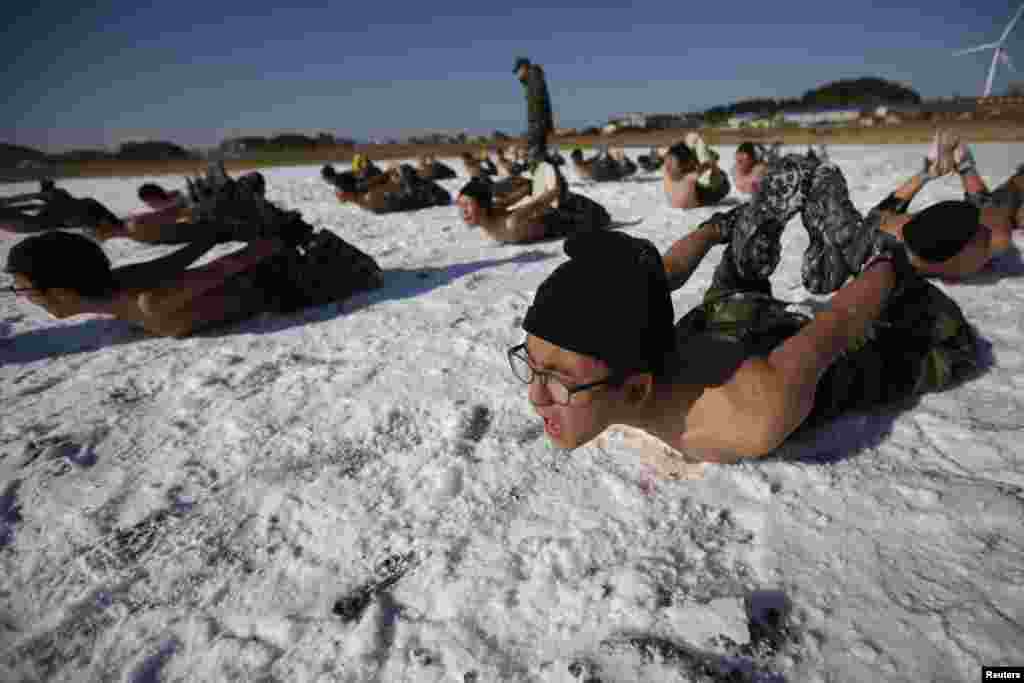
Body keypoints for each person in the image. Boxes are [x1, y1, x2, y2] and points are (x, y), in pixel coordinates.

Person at [507, 229, 978, 464]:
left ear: (635, 390)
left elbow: (835, 325)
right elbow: (649, 275)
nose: (534, 395)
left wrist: (883, 262)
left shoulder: (743, 415)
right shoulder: (628, 355)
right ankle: (745, 233)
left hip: (853, 353)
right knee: (731, 291)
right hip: (727, 330)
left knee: (945, 345)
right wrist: (715, 230)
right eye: (531, 366)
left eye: (557, 379)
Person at [4, 220, 383, 338]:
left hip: (316, 277)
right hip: (277, 275)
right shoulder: (114, 286)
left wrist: (275, 240)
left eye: (25, 289)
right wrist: (207, 238)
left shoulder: (147, 303)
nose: (23, 295)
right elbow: (172, 264)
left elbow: (221, 269)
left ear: (60, 290)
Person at [870, 131, 1023, 280]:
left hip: (905, 244)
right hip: (935, 245)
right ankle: (960, 166)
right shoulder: (994, 235)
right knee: (994, 225)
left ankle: (957, 166)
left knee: (992, 221)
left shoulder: (885, 240)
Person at [456, 167, 611, 244]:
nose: (463, 212)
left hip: (581, 219)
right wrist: (529, 187)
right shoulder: (492, 212)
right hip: (555, 215)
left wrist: (553, 186)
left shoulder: (511, 223)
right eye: (460, 206)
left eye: (467, 205)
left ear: (483, 208)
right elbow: (511, 199)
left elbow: (542, 201)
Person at [322, 161, 451, 214]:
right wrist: (388, 173)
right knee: (406, 176)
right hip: (377, 199)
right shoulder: (344, 182)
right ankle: (435, 196)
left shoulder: (340, 186)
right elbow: (364, 185)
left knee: (408, 192)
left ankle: (432, 196)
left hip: (375, 201)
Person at [663, 135, 731, 209]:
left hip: (694, 198)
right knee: (717, 180)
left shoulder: (687, 176)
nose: (668, 165)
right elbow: (707, 165)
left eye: (671, 162)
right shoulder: (687, 176)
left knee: (716, 180)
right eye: (668, 161)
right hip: (695, 199)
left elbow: (707, 166)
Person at [513, 57, 555, 167]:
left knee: (535, 157)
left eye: (517, 71)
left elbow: (538, 104)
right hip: (539, 123)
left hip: (538, 124)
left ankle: (549, 181)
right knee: (539, 156)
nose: (517, 75)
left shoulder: (534, 80)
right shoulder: (533, 80)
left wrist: (536, 127)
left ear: (523, 68)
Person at [570, 147, 638, 182]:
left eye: (580, 156)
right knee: (615, 166)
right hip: (599, 174)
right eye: (580, 156)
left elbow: (592, 160)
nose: (581, 157)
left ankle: (623, 165)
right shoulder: (579, 166)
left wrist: (600, 155)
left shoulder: (580, 164)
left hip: (599, 174)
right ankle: (624, 166)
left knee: (612, 162)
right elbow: (591, 164)